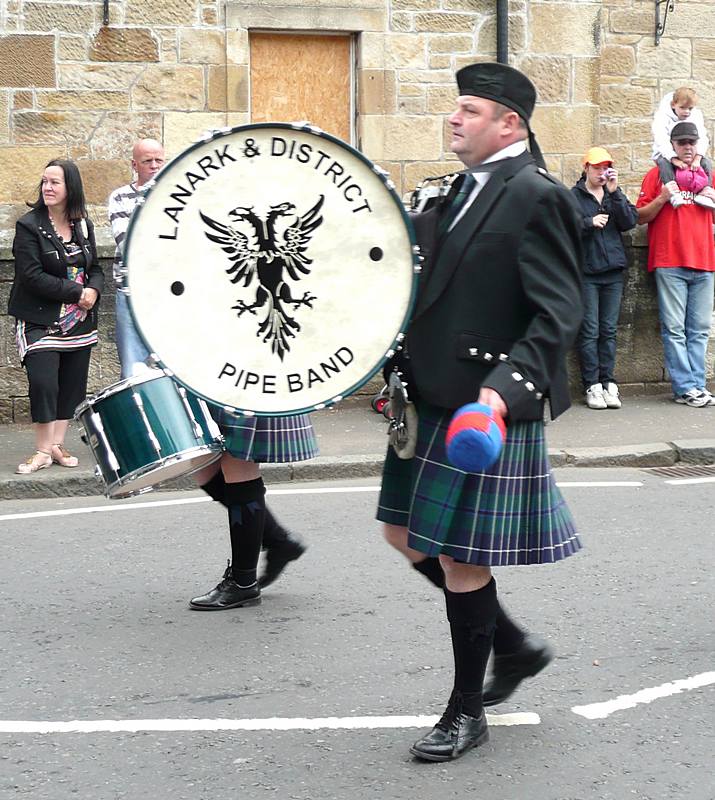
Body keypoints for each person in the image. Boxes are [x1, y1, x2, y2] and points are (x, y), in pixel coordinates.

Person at [377, 62, 583, 762]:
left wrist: (502, 391)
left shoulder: (534, 195)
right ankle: (515, 646)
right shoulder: (456, 192)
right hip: (431, 392)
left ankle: (466, 712)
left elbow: (560, 310)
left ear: (509, 125)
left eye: (468, 110)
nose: (453, 118)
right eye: (455, 108)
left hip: (481, 405)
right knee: (402, 535)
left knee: (462, 560)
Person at [8, 159, 104, 473]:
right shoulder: (29, 225)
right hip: (40, 317)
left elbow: (96, 269)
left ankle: (56, 446)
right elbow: (31, 275)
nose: (47, 188)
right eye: (45, 182)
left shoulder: (83, 224)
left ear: (70, 188)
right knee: (44, 382)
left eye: (55, 183)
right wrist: (78, 293)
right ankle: (41, 450)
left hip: (80, 321)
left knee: (71, 385)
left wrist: (94, 290)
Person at [188, 409, 316, 609]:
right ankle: (279, 541)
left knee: (238, 463)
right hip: (212, 384)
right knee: (204, 467)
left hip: (245, 385)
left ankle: (243, 582)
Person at [637, 121, 715, 407]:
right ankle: (684, 388)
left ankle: (697, 385)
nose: (687, 147)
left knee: (699, 329)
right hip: (670, 260)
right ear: (673, 145)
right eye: (682, 143)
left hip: (705, 260)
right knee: (674, 329)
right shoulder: (657, 174)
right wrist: (663, 197)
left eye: (691, 142)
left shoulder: (709, 173)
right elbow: (640, 216)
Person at [571, 147, 638, 410]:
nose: (601, 172)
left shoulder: (612, 194)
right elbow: (563, 226)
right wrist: (588, 223)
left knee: (608, 331)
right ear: (586, 168)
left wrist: (615, 191)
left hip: (612, 273)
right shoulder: (574, 196)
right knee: (590, 331)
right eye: (597, 168)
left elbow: (630, 221)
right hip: (587, 274)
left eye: (605, 168)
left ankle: (608, 382)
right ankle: (591, 385)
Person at [107, 138, 166, 379]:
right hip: (132, 291)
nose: (154, 166)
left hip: (171, 292)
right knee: (134, 367)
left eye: (159, 160)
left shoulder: (178, 196)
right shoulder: (119, 197)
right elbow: (128, 243)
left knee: (173, 360)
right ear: (134, 164)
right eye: (147, 161)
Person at [651, 87, 714, 209]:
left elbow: (702, 137)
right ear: (673, 105)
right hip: (665, 152)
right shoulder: (662, 116)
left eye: (690, 108)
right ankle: (673, 192)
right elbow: (661, 140)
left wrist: (697, 158)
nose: (687, 112)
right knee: (664, 164)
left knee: (706, 163)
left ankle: (706, 191)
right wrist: (674, 159)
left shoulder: (696, 115)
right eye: (683, 108)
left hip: (691, 155)